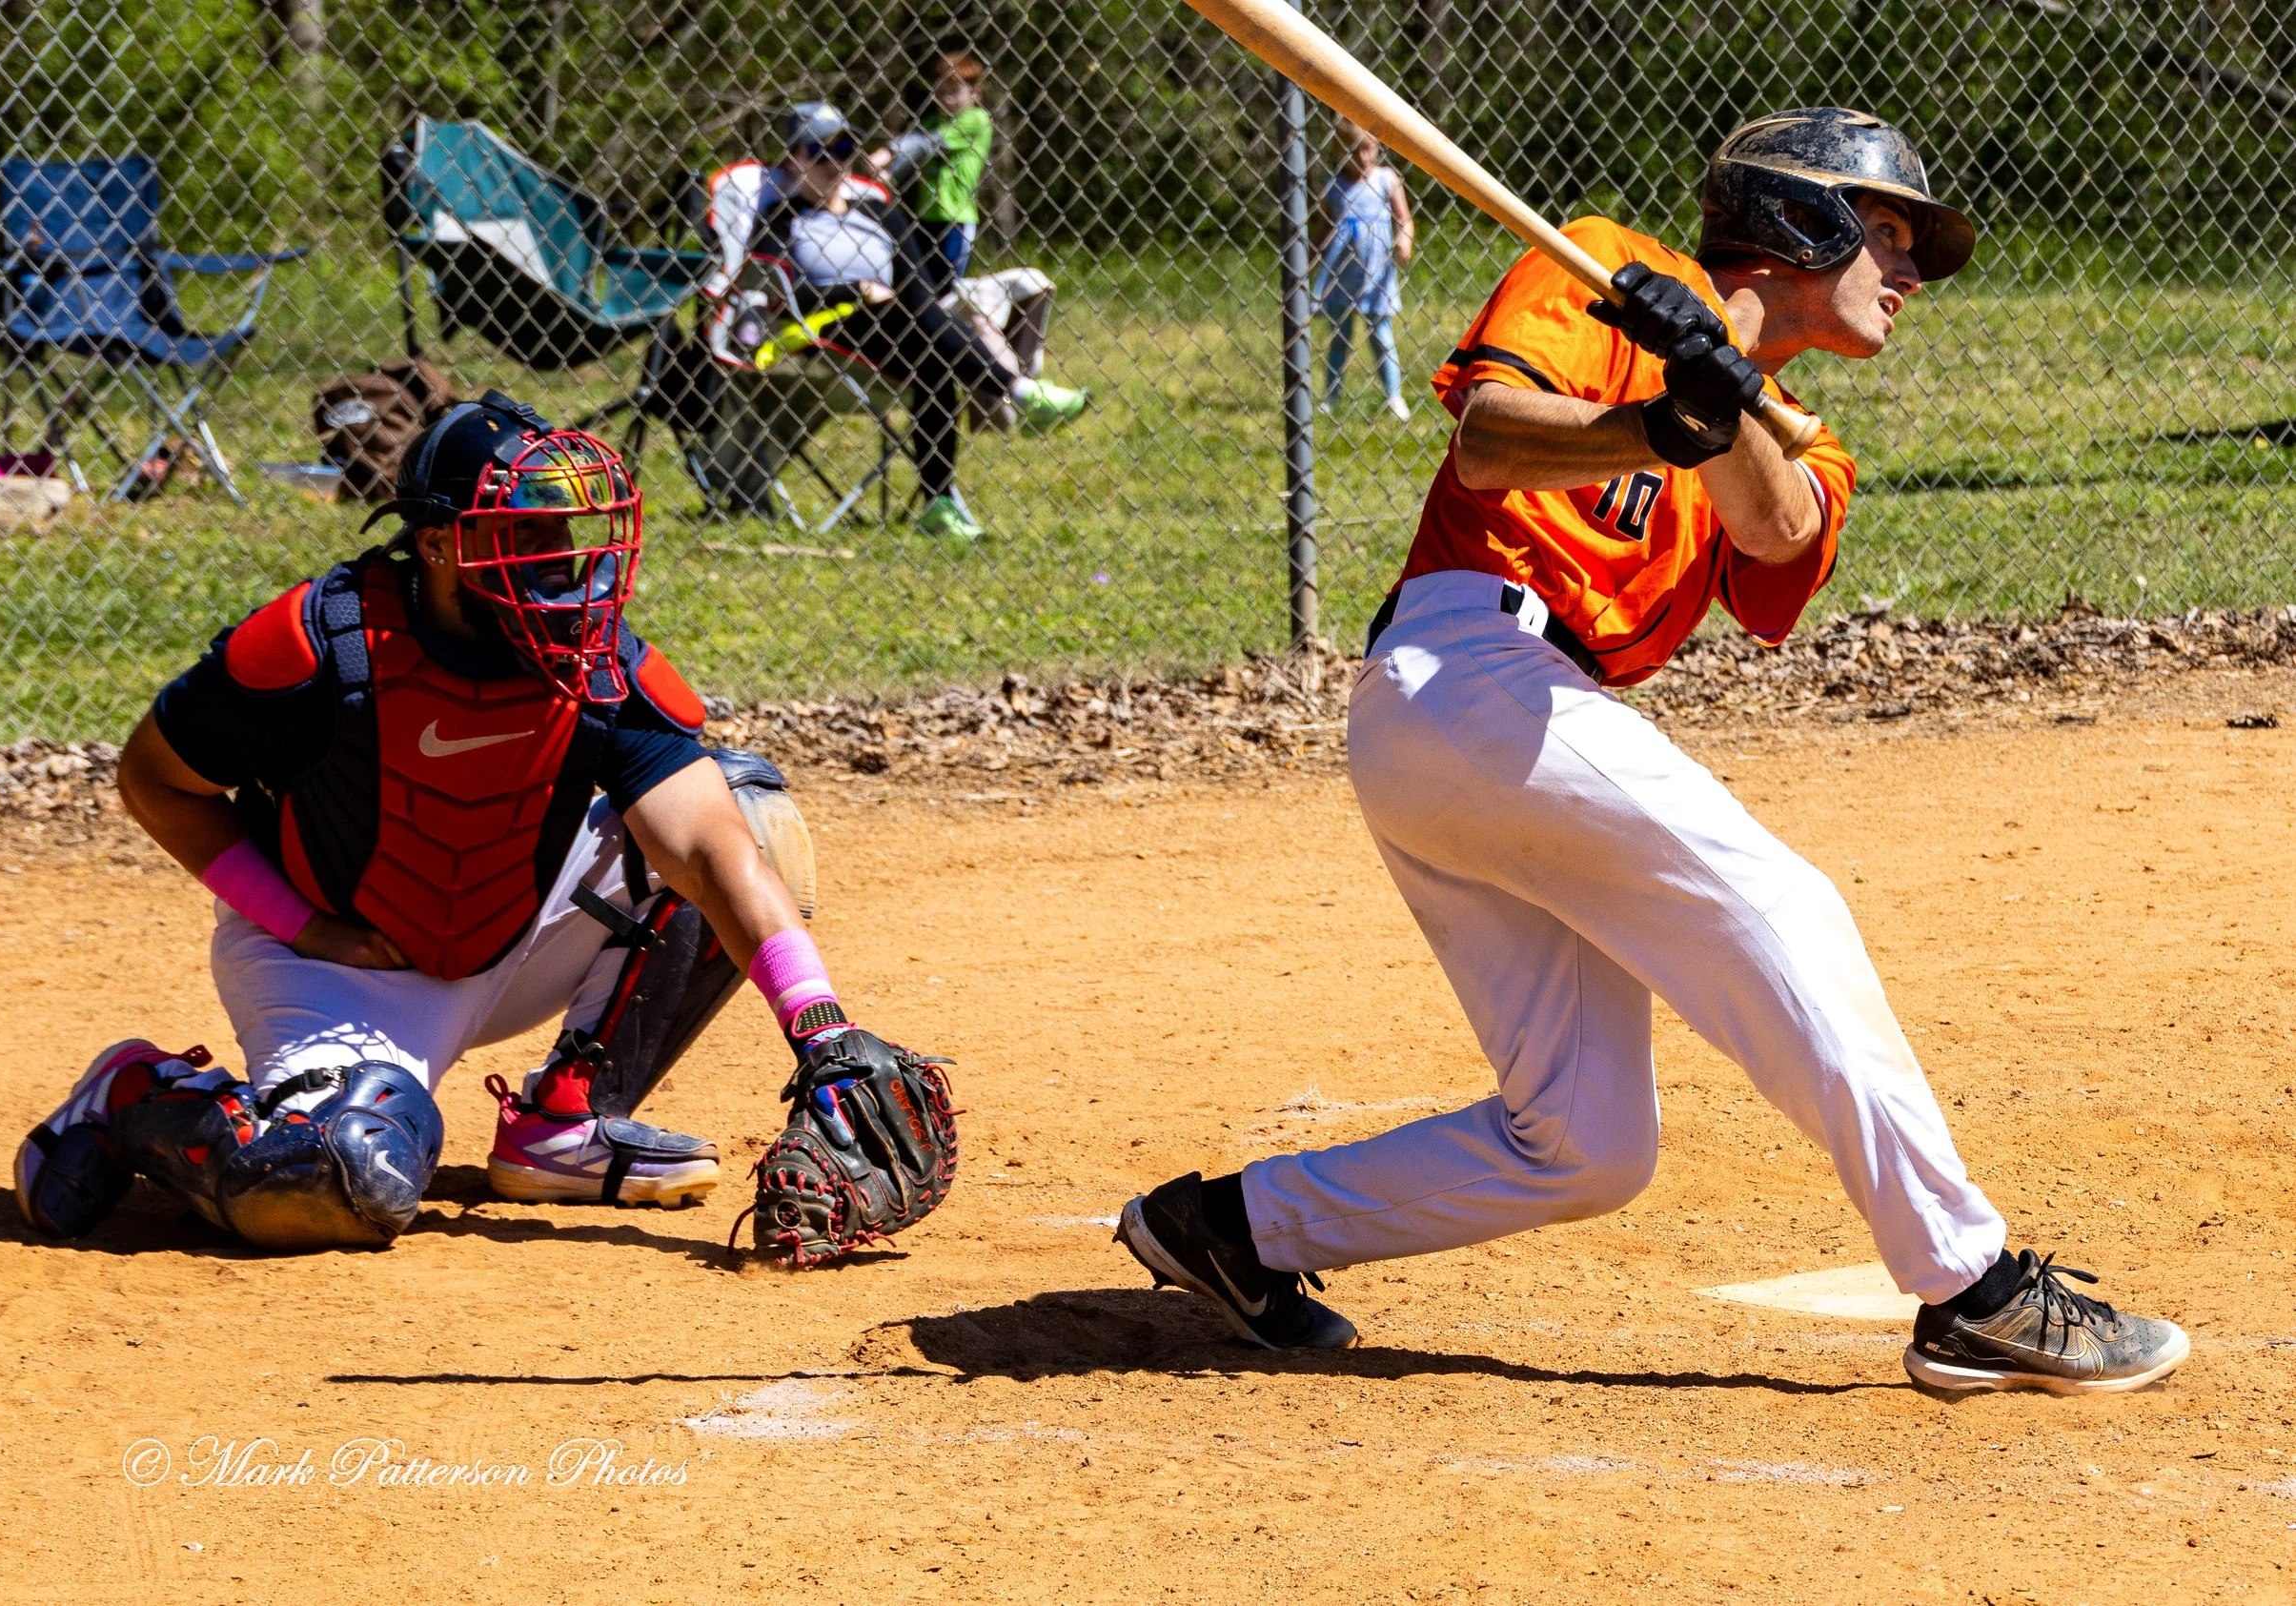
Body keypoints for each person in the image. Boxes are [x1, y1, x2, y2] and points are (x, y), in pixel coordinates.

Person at [1116, 109, 2189, 1396]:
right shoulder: (1597, 266)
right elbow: (1491, 440)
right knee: (1784, 906)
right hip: (1466, 668)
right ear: (1806, 221)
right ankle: (1973, 1289)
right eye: (1890, 236)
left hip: (1518, 724)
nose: (1908, 278)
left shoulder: (1802, 430)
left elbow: (1780, 534)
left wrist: (1720, 400)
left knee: (1585, 1141)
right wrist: (1651, 417)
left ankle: (1234, 1229)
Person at [13, 393, 949, 1255]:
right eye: (519, 532)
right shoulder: (321, 643)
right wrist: (302, 924)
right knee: (327, 1186)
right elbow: (152, 778)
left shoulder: (593, 657)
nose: (557, 556)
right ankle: (138, 1095)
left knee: (748, 814)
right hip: (342, 965)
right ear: (436, 543)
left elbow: (706, 844)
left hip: (512, 930)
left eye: (562, 529)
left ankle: (565, 1122)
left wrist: (819, 1027)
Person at [704, 102, 1088, 542]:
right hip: (826, 332)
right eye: (819, 152)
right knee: (920, 331)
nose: (835, 162)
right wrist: (855, 291)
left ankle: (940, 503)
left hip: (899, 330)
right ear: (794, 158)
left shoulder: (880, 213)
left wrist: (887, 299)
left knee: (931, 350)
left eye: (844, 148)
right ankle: (1019, 393)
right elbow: (779, 294)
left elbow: (918, 284)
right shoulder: (782, 221)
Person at [871, 38, 992, 296]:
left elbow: (928, 145)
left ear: (975, 92)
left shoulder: (976, 120)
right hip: (924, 217)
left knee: (947, 290)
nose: (946, 98)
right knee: (920, 287)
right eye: (941, 90)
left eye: (955, 90)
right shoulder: (930, 121)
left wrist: (888, 154)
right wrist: (890, 175)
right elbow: (915, 153)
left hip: (956, 218)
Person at [1312, 119, 1414, 420]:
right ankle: (1331, 397)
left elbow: (1404, 219)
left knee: (1382, 337)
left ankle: (1394, 397)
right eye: (1353, 151)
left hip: (1377, 276)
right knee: (1339, 339)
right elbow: (1321, 231)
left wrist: (1404, 241)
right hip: (1342, 276)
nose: (1362, 158)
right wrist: (1304, 262)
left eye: (1367, 149)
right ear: (1338, 151)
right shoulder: (1335, 187)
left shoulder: (1386, 179)